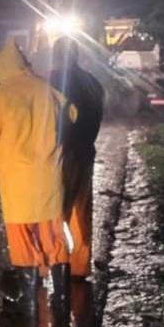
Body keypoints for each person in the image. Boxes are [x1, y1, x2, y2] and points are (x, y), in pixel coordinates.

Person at [0, 41, 75, 317]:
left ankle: (30, 301)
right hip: (48, 177)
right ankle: (62, 298)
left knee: (21, 237)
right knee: (53, 234)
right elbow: (72, 114)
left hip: (17, 180)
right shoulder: (47, 90)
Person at [49, 36, 104, 280]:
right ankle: (80, 266)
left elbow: (52, 117)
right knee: (82, 209)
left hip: (63, 152)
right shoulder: (94, 83)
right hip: (86, 151)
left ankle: (56, 261)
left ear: (58, 55)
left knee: (57, 208)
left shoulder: (54, 80)